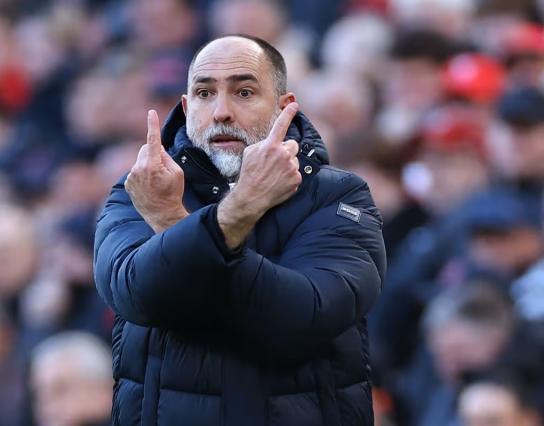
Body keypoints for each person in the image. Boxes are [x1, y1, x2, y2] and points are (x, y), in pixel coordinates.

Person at [94, 35, 386, 426]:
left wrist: (171, 223)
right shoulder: (142, 189)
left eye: (244, 92)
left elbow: (303, 318)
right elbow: (137, 295)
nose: (221, 112)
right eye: (204, 93)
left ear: (284, 106)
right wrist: (235, 212)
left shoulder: (338, 196)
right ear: (186, 107)